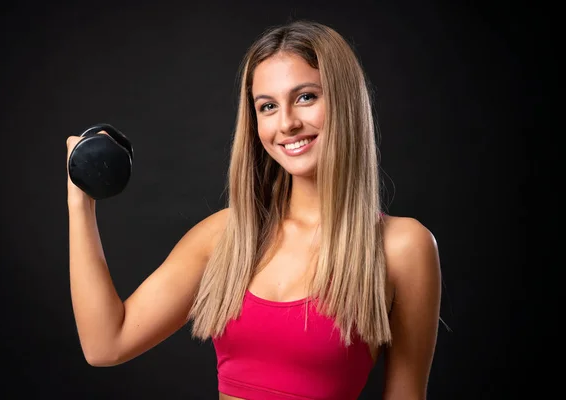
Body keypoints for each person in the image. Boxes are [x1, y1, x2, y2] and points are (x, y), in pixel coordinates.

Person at [66, 20, 441, 400]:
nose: (287, 124)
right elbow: (105, 345)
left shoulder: (402, 247)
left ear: (345, 101)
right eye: (268, 106)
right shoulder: (226, 235)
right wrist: (80, 200)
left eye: (306, 97)